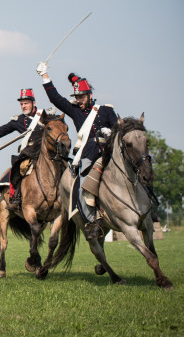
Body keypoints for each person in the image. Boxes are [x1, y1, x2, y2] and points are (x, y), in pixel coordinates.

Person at [36, 62, 118, 240]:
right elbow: (55, 98)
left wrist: (111, 133)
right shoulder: (75, 111)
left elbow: (118, 129)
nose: (79, 100)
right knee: (81, 186)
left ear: (90, 95)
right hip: (88, 154)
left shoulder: (105, 111)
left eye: (82, 97)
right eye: (77, 97)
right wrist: (45, 76)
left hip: (108, 152)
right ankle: (92, 222)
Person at [0, 89, 48, 208]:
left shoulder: (45, 116)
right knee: (17, 169)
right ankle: (15, 197)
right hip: (29, 153)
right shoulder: (19, 120)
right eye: (22, 104)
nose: (24, 106)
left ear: (33, 103)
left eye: (26, 103)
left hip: (45, 153)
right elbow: (0, 131)